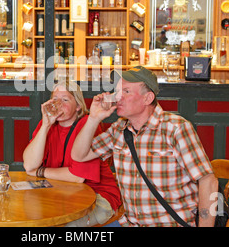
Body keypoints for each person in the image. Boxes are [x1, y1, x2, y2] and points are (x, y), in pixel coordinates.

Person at [71, 66, 219, 227]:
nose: (117, 97)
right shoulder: (119, 129)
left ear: (147, 98)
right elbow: (79, 155)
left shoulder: (175, 129)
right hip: (129, 223)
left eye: (126, 91)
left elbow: (208, 181)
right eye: (117, 91)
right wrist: (93, 118)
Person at [23, 80, 121, 227]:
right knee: (30, 219)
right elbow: (29, 165)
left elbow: (77, 177)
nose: (58, 104)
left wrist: (40, 171)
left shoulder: (88, 125)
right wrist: (45, 125)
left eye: (65, 99)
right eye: (55, 99)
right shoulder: (48, 124)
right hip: (62, 194)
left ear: (78, 106)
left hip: (98, 196)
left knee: (61, 226)